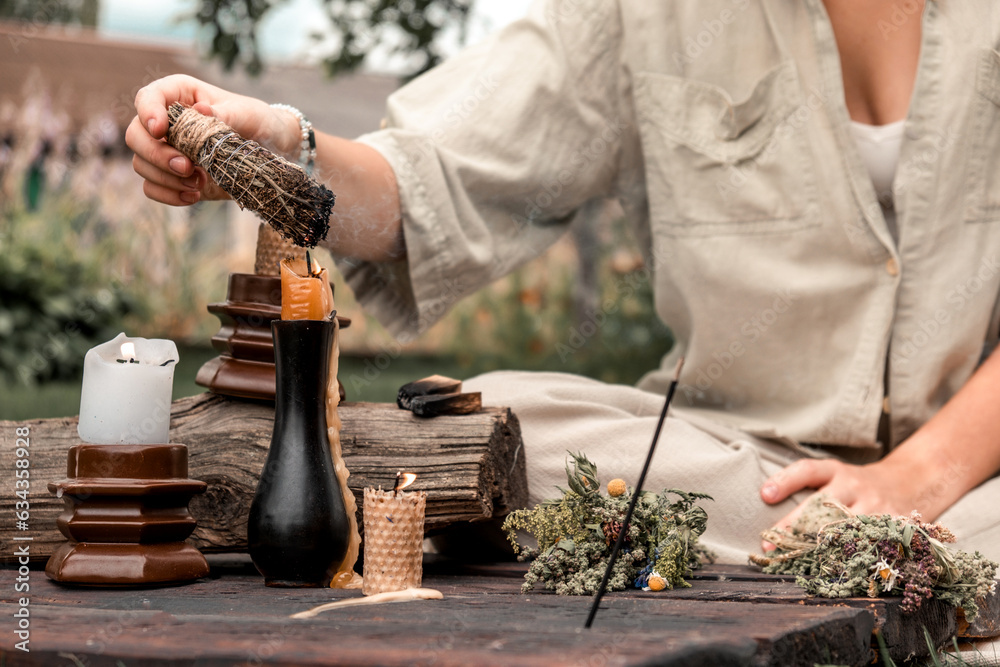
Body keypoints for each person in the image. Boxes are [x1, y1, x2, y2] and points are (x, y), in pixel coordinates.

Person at [127, 0, 1000, 563]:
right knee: (503, 426)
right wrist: (286, 148)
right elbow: (435, 178)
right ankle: (891, 560)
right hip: (739, 463)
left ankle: (896, 548)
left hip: (977, 473)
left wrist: (918, 477)